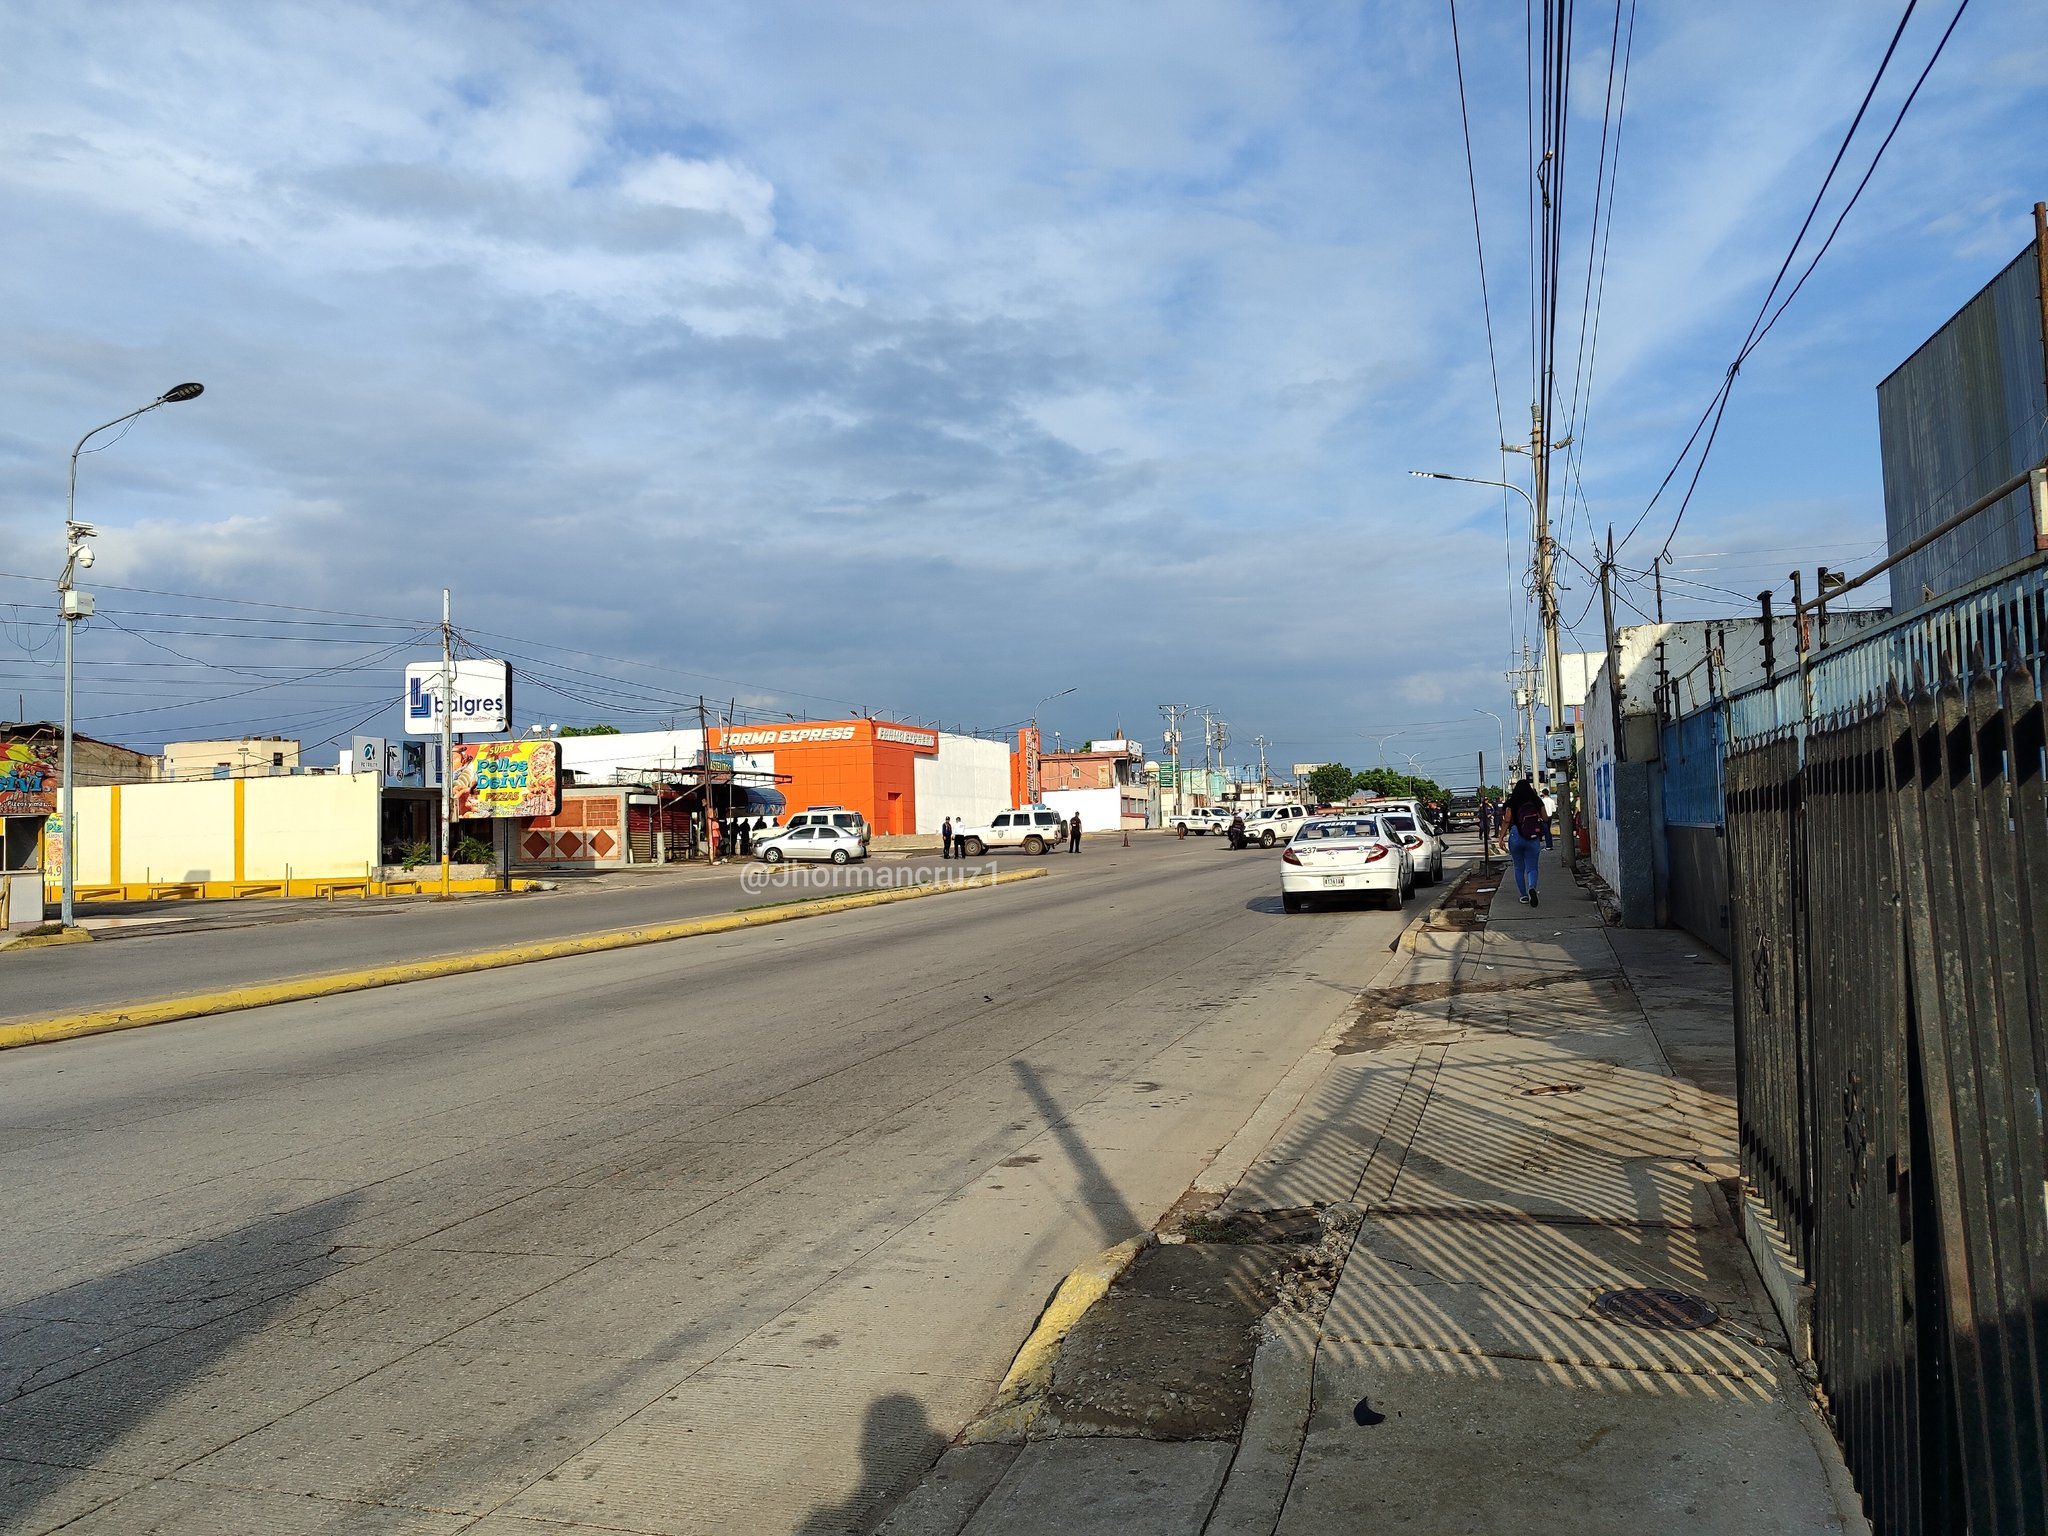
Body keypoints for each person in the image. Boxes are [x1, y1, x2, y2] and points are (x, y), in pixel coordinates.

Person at [1505, 776, 1546, 905]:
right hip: (1532, 835)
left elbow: (1506, 820)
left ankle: (1523, 896)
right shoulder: (1536, 800)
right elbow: (1545, 818)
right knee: (1532, 867)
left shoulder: (1512, 801)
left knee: (1518, 867)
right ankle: (1532, 887)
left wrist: (1500, 838)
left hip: (1516, 834)